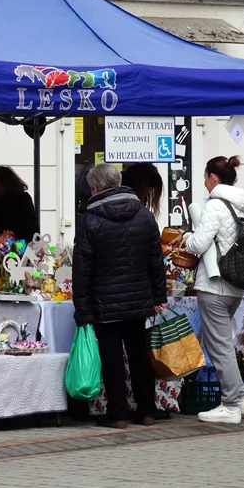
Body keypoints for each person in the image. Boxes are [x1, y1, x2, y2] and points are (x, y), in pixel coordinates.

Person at [72, 164, 167, 428]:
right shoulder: (145, 216)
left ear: (94, 188)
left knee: (112, 358)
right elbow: (155, 262)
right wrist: (159, 295)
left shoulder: (89, 221)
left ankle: (118, 414)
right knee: (139, 356)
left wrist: (81, 308)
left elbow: (82, 270)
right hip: (138, 301)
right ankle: (147, 411)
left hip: (105, 303)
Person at [183, 156, 244, 424]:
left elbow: (199, 244)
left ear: (213, 178)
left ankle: (229, 405)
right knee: (224, 343)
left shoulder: (215, 205)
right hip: (236, 285)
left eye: (205, 177)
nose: (204, 182)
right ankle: (241, 398)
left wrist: (186, 238)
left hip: (214, 284)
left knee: (219, 346)